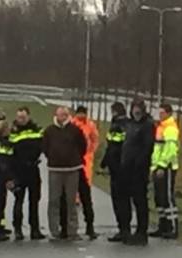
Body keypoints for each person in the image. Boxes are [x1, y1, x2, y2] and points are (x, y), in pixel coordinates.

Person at [42, 106, 86, 241]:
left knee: (71, 201)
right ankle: (54, 230)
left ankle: (72, 230)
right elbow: (45, 147)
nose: (62, 118)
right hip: (55, 169)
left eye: (65, 115)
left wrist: (74, 157)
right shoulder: (49, 131)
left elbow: (82, 146)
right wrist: (52, 157)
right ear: (56, 115)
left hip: (72, 169)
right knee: (54, 200)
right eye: (60, 115)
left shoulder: (75, 130)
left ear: (68, 116)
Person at [119, 98, 154, 246]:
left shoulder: (147, 125)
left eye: (139, 108)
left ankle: (141, 232)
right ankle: (125, 230)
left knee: (140, 201)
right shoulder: (130, 124)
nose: (136, 111)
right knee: (125, 200)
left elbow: (147, 148)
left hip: (139, 170)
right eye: (134, 108)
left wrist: (139, 163)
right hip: (126, 168)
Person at [10, 106, 46, 241]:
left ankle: (34, 229)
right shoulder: (13, 131)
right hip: (18, 170)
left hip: (33, 169)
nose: (21, 120)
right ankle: (18, 229)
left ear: (28, 116)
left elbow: (43, 144)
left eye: (23, 117)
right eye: (19, 117)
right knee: (18, 200)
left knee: (34, 200)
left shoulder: (36, 129)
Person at [150, 102, 180, 239]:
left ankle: (173, 227)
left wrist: (162, 165)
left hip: (167, 167)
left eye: (162, 112)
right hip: (158, 167)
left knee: (167, 198)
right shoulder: (161, 127)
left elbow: (170, 150)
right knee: (159, 198)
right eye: (159, 112)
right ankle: (163, 225)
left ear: (168, 113)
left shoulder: (170, 128)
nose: (160, 115)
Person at [100, 101, 128, 242]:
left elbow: (117, 148)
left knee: (120, 199)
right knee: (118, 199)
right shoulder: (115, 124)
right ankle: (122, 228)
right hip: (115, 167)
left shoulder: (121, 126)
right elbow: (110, 146)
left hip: (120, 169)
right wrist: (105, 161)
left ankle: (124, 229)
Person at [71, 105, 99, 239]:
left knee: (86, 181)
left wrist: (91, 151)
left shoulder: (90, 125)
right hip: (74, 158)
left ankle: (81, 199)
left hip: (86, 157)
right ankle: (75, 198)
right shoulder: (72, 124)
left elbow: (95, 139)